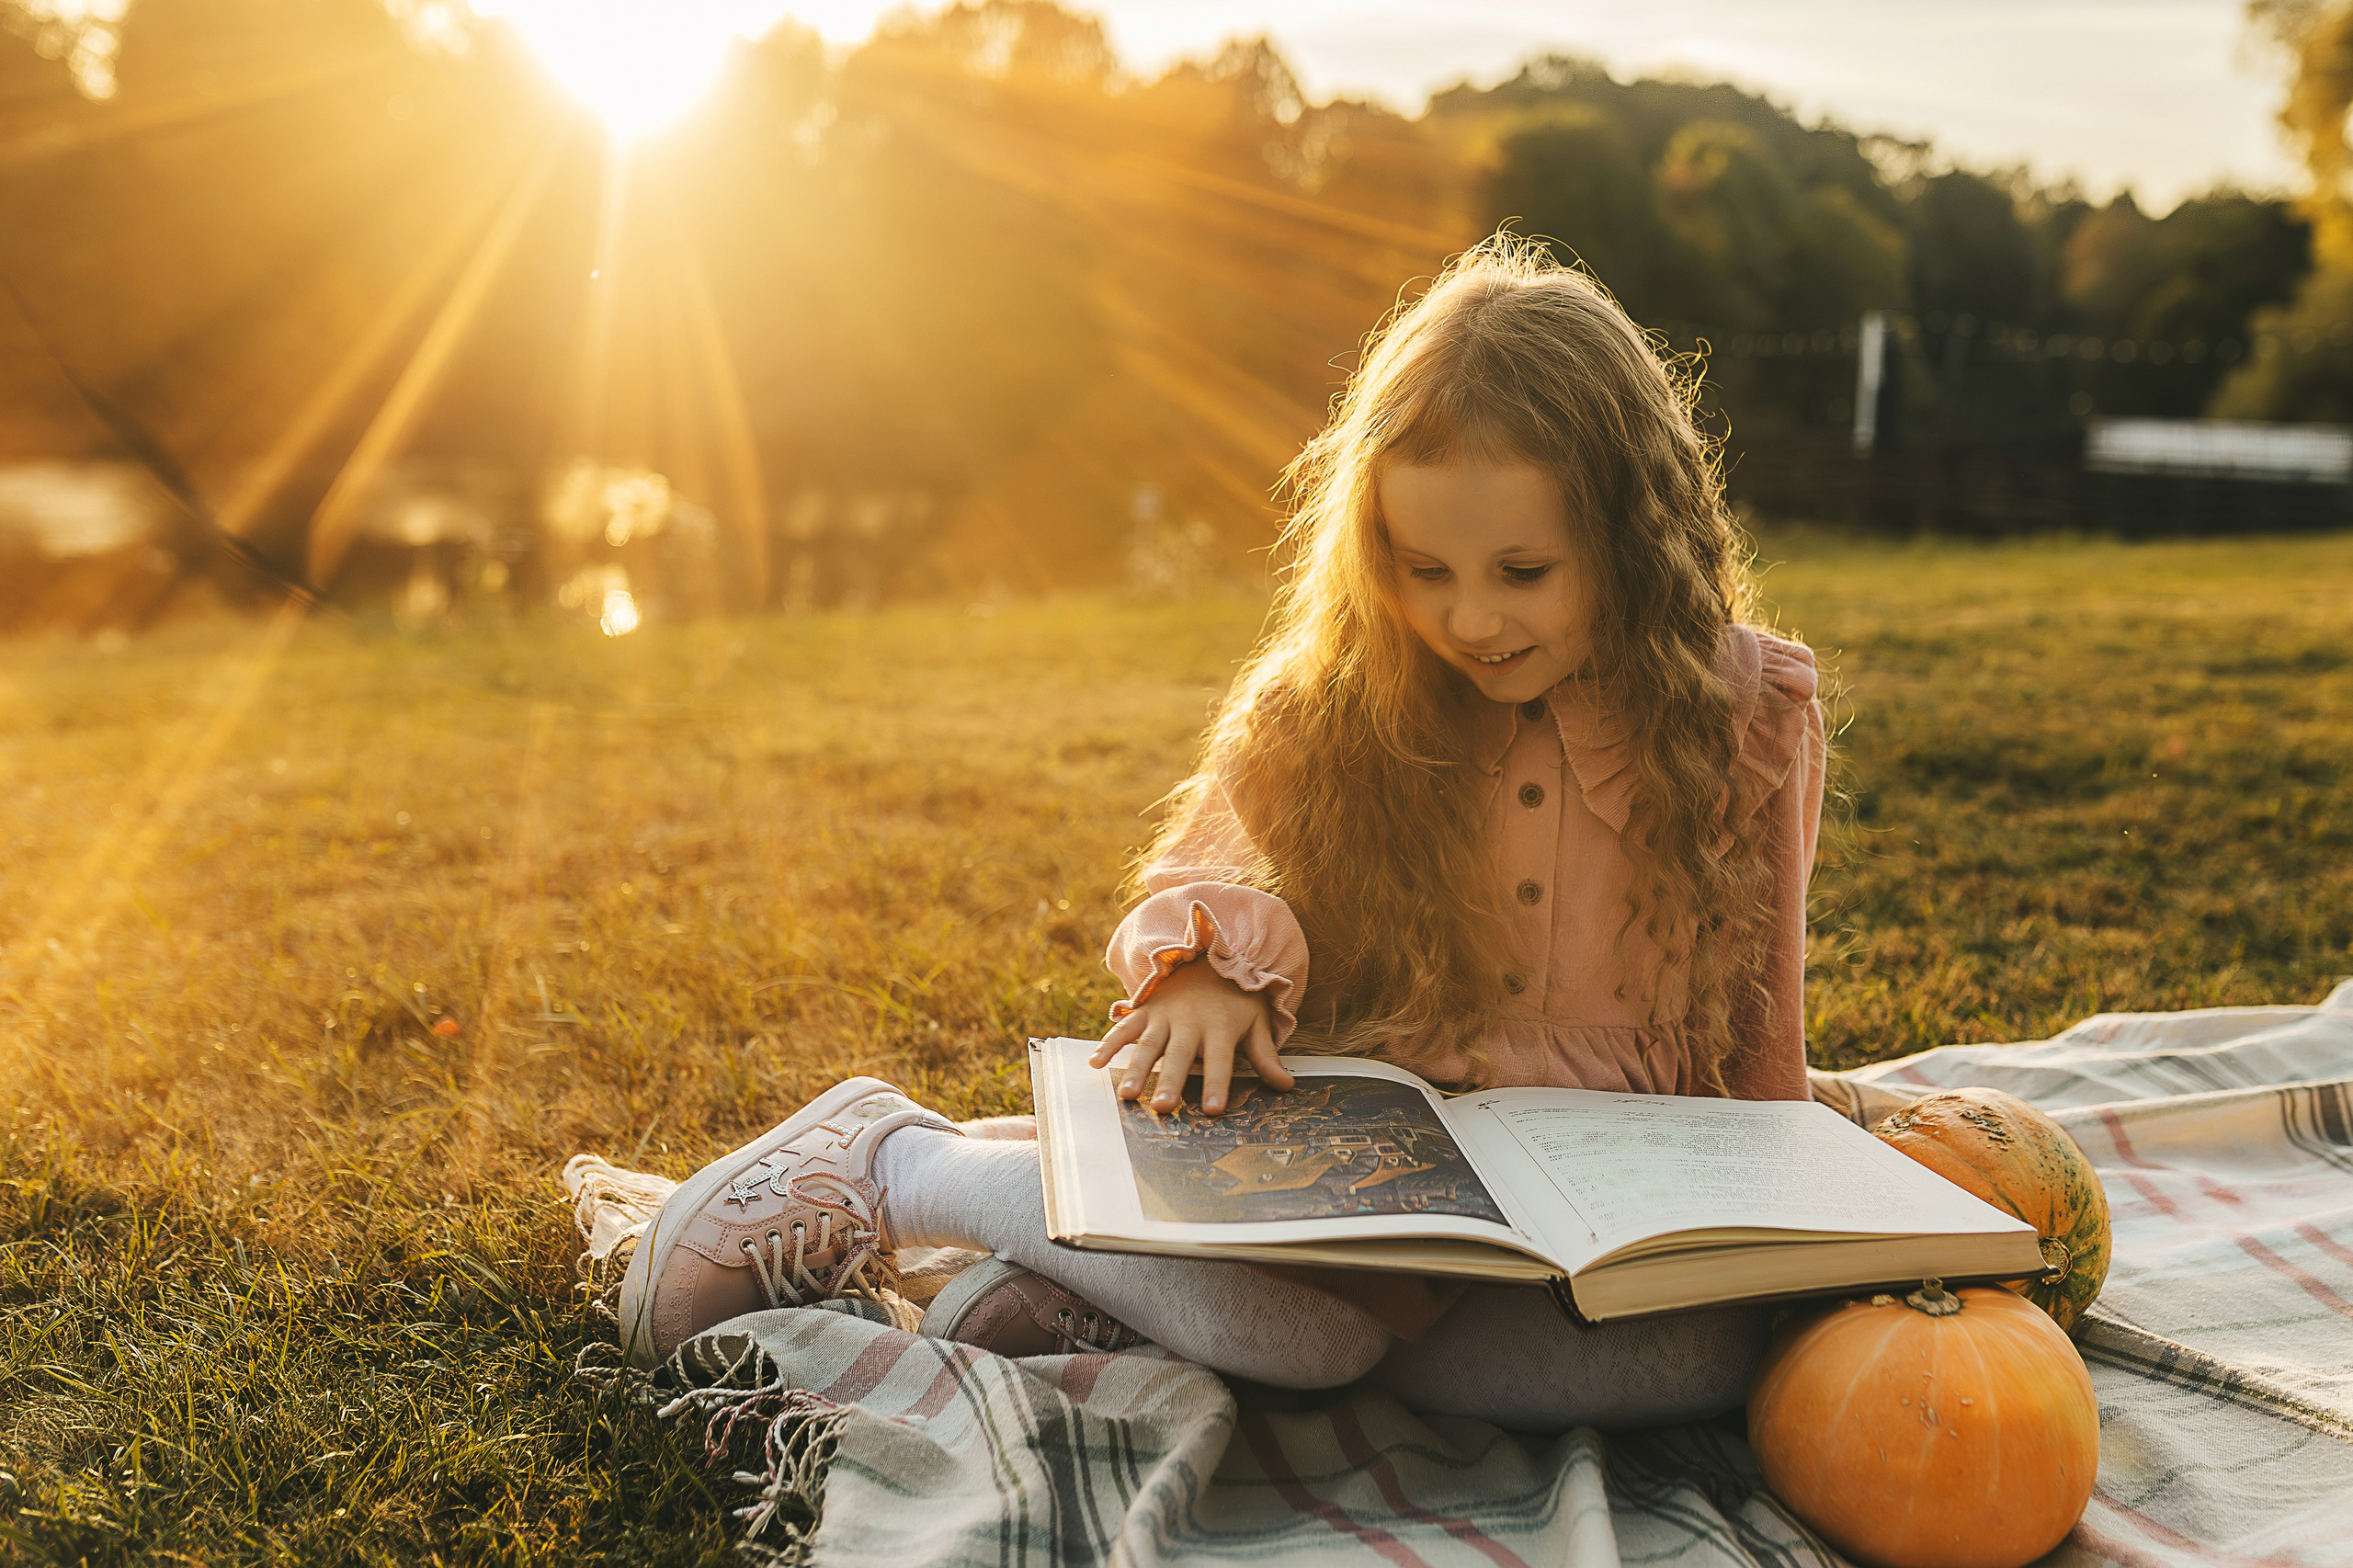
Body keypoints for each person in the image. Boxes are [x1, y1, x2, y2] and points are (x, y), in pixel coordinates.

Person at [614, 236, 1826, 1431]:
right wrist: (1208, 972)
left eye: (1522, 569)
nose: (1470, 616)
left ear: (1631, 533)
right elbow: (1207, 866)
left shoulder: (1748, 718)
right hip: (1363, 1167)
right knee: (1304, 1340)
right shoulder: (1343, 703)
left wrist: (1803, 1211)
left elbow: (1769, 1023)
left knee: (1708, 1362)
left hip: (1596, 1200)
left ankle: (1116, 1293)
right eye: (1424, 568)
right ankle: (893, 1162)